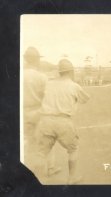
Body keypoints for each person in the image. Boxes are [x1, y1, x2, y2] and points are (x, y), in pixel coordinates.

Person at [35, 59, 90, 184]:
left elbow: (40, 95)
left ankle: (35, 181)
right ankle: (72, 178)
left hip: (45, 120)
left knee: (41, 153)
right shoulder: (73, 85)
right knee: (73, 149)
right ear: (71, 71)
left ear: (59, 72)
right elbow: (85, 99)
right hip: (63, 121)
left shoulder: (49, 83)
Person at [23, 47, 60, 176]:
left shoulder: (18, 75)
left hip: (22, 113)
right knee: (47, 139)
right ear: (37, 60)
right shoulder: (41, 77)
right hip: (38, 111)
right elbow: (48, 97)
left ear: (26, 59)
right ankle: (50, 168)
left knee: (26, 141)